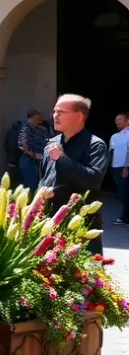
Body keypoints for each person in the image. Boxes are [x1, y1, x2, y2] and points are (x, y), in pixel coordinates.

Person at [40, 94, 109, 254]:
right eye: (55, 111)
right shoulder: (51, 144)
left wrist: (62, 159)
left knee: (85, 276)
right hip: (49, 222)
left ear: (79, 116)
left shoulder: (95, 145)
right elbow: (44, 178)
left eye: (61, 112)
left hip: (80, 222)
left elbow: (93, 179)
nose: (55, 116)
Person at [17, 109, 51, 191]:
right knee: (30, 185)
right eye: (37, 119)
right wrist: (35, 155)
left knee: (38, 184)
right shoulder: (25, 130)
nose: (39, 122)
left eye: (40, 119)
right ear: (31, 119)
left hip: (39, 160)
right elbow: (23, 146)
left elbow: (46, 141)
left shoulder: (40, 130)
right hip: (28, 160)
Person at [111, 112, 129, 227]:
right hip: (116, 167)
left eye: (120, 119)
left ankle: (125, 217)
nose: (117, 122)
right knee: (121, 193)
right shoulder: (115, 136)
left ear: (127, 121)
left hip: (125, 168)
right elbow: (111, 152)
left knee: (125, 193)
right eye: (116, 120)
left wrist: (126, 167)